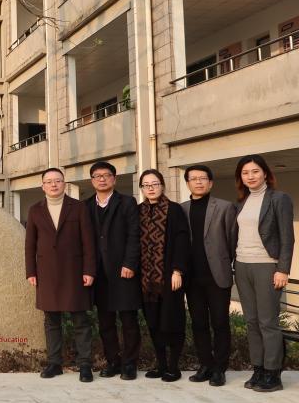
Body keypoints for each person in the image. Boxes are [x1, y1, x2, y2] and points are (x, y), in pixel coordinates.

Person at [25, 168, 96, 382]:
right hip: (47, 272)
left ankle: (85, 365)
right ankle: (54, 363)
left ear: (64, 184)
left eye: (57, 181)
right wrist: (31, 271)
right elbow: (30, 244)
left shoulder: (78, 207)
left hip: (75, 271)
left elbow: (88, 242)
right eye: (49, 181)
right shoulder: (35, 210)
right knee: (51, 320)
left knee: (80, 319)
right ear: (43, 186)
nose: (53, 184)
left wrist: (89, 270)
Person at [234, 154, 294, 393]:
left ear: (265, 173)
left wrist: (283, 269)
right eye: (245, 173)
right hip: (242, 265)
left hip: (267, 265)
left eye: (255, 171)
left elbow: (287, 238)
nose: (250, 176)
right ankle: (258, 368)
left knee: (268, 321)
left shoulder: (279, 199)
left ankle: (273, 373)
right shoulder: (242, 201)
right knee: (251, 321)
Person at [181, 165, 237, 386]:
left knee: (220, 323)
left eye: (202, 178)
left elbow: (232, 240)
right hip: (192, 278)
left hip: (217, 275)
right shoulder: (181, 209)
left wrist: (225, 263)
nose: (198, 182)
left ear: (211, 182)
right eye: (193, 179)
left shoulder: (225, 207)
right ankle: (205, 365)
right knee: (198, 323)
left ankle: (220, 369)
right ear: (187, 183)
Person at [85, 161, 142, 380]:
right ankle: (113, 362)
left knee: (128, 320)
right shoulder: (86, 206)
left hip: (123, 271)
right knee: (105, 322)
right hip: (99, 274)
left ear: (114, 179)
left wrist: (130, 264)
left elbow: (134, 235)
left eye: (106, 175)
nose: (102, 179)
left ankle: (130, 364)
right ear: (92, 181)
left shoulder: (127, 202)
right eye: (97, 176)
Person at [137, 169, 191, 382]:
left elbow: (182, 241)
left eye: (155, 184)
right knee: (153, 323)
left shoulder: (174, 210)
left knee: (172, 321)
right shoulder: (138, 211)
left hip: (169, 277)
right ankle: (160, 365)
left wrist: (178, 270)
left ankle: (174, 367)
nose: (151, 188)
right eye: (146, 185)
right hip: (145, 279)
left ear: (162, 186)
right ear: (142, 188)